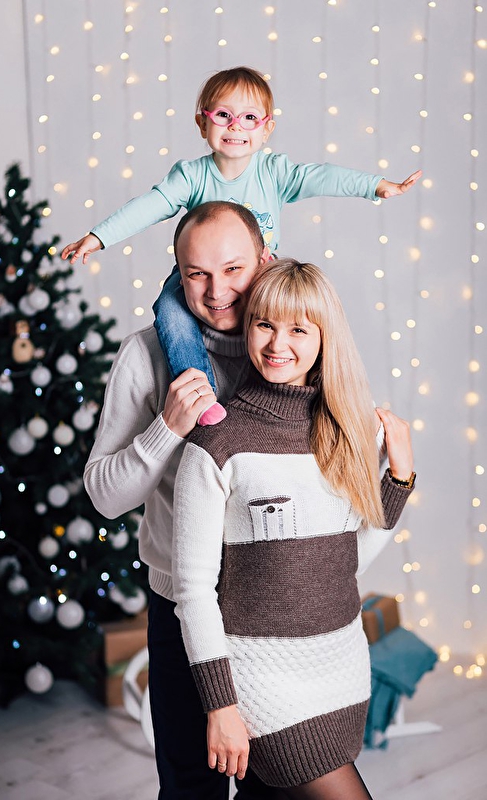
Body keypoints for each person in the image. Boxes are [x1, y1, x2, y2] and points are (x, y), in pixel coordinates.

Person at [172, 259, 416, 799]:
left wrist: (398, 481)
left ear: (325, 337)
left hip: (341, 665)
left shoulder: (343, 433)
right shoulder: (218, 442)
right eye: (264, 324)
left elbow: (344, 563)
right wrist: (221, 706)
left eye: (298, 329)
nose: (277, 344)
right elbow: (193, 592)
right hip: (263, 679)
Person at [62, 65, 421, 426]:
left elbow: (323, 176)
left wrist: (375, 186)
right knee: (169, 309)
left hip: (262, 270)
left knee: (296, 310)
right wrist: (99, 236)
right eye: (223, 116)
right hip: (201, 269)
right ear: (202, 124)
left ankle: (312, 395)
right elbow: (149, 206)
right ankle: (201, 395)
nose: (235, 127)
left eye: (249, 118)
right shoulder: (191, 176)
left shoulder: (274, 172)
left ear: (267, 130)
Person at [84, 201, 279, 799]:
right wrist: (166, 427)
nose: (217, 292)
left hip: (274, 609)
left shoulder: (293, 347)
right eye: (197, 274)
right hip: (179, 609)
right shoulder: (144, 355)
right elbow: (105, 497)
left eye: (233, 269)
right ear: (177, 274)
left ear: (265, 260)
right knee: (191, 786)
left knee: (277, 786)